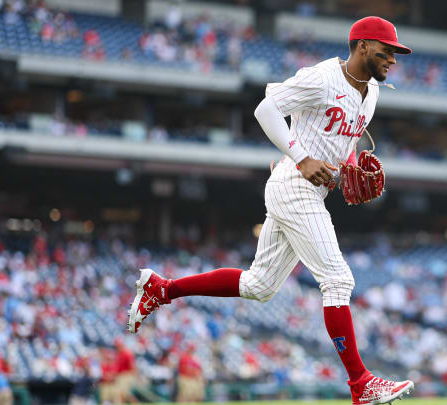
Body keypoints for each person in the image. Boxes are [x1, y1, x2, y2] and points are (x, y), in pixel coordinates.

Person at [127, 16, 414, 404]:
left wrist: (349, 166)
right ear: (362, 46)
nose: (393, 58)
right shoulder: (323, 77)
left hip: (309, 190)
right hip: (295, 185)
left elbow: (340, 139)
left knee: (258, 286)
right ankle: (361, 383)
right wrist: (300, 157)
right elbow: (266, 110)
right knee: (338, 281)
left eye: (396, 52)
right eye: (387, 50)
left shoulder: (373, 92)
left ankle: (162, 289)